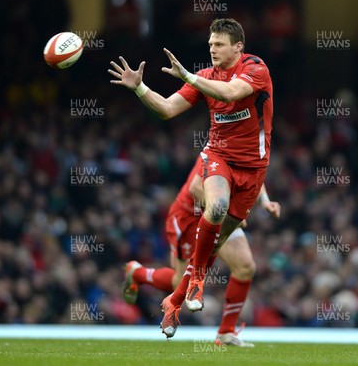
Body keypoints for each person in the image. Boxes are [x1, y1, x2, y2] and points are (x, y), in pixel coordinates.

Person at [108, 18, 274, 339]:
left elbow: (230, 93)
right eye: (210, 44)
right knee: (217, 207)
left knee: (228, 258)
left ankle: (185, 306)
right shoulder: (204, 78)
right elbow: (167, 109)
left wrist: (188, 77)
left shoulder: (255, 68)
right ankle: (191, 282)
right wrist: (140, 88)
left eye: (219, 44)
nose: (212, 48)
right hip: (216, 161)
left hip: (253, 170)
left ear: (238, 47)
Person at [122, 157, 280, 346]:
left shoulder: (250, 147)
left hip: (221, 216)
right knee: (180, 282)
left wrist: (264, 201)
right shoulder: (218, 149)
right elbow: (196, 188)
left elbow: (254, 174)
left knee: (245, 266)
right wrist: (227, 209)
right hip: (190, 217)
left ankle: (226, 332)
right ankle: (138, 273)